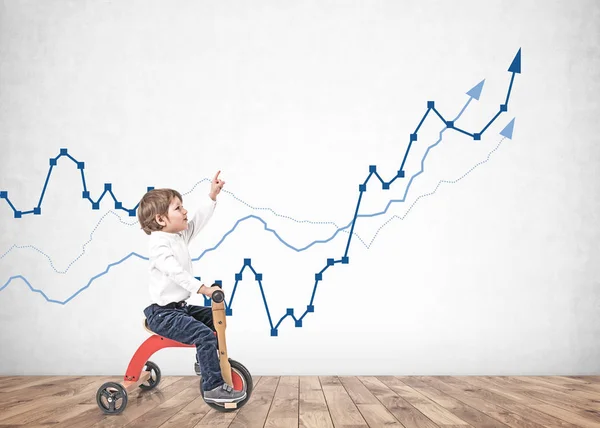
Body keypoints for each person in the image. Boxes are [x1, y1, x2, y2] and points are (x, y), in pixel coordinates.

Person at [137, 171, 245, 404]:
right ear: (160, 220)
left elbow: (198, 220)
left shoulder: (178, 236)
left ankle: (206, 363)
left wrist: (212, 196)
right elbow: (175, 273)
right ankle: (213, 387)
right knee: (203, 334)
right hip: (162, 314)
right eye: (178, 208)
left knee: (214, 318)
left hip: (180, 309)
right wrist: (203, 289)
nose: (185, 211)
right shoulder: (158, 244)